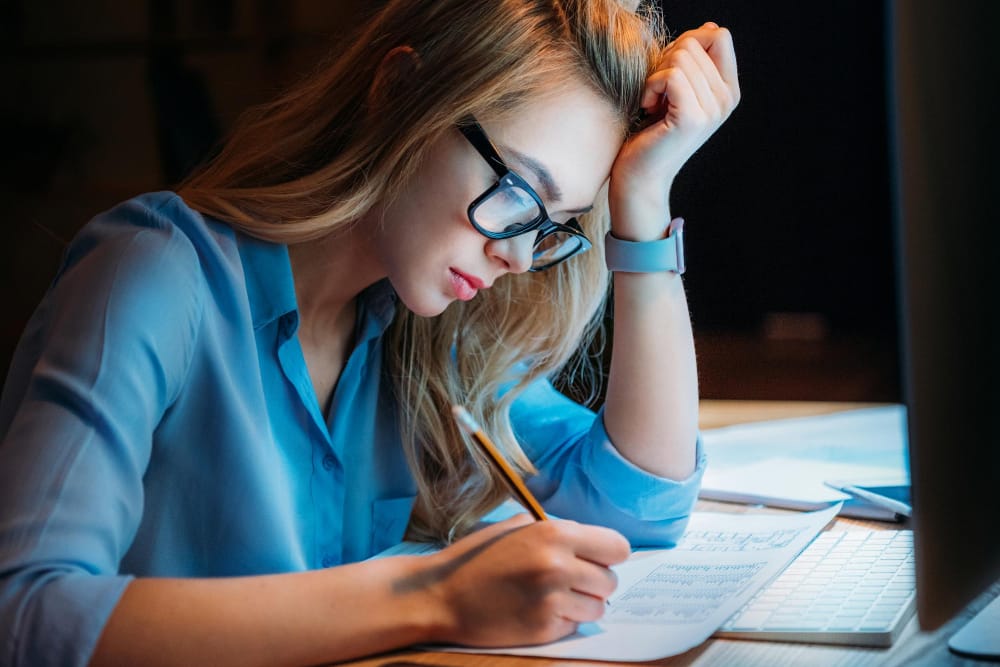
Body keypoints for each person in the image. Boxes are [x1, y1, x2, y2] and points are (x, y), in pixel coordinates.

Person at [0, 1, 739, 665]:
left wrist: (642, 202)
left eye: (553, 225)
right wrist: (434, 594)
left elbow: (639, 500)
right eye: (517, 192)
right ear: (401, 92)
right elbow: (25, 613)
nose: (518, 255)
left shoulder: (428, 332)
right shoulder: (154, 273)